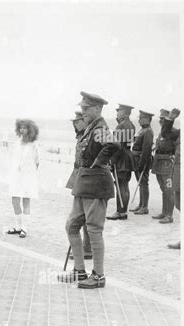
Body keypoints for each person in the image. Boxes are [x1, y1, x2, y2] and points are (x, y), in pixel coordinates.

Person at [58, 92, 120, 289]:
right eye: (82, 108)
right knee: (72, 226)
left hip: (96, 184)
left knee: (93, 230)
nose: (82, 112)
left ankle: (99, 276)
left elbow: (113, 144)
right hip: (84, 183)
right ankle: (79, 270)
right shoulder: (91, 127)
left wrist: (98, 162)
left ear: (97, 109)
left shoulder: (100, 127)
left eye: (86, 109)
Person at [6, 119, 40, 239]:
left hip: (28, 176)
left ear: (30, 129)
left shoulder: (34, 144)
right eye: (20, 127)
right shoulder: (18, 142)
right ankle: (18, 226)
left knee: (26, 201)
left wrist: (30, 174)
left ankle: (24, 228)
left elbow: (37, 162)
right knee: (15, 200)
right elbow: (14, 158)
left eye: (25, 128)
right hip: (16, 175)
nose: (22, 130)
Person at [66, 112, 92, 260]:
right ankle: (85, 246)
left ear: (84, 120)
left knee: (86, 215)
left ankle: (87, 248)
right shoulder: (81, 135)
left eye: (77, 121)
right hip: (79, 175)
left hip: (85, 177)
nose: (74, 124)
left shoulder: (89, 135)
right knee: (80, 213)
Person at [106, 104, 136, 220]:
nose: (117, 113)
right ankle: (123, 211)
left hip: (121, 158)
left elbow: (117, 146)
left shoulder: (121, 126)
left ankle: (120, 212)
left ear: (124, 112)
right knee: (125, 185)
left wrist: (112, 161)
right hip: (128, 156)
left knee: (120, 185)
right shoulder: (132, 125)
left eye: (119, 111)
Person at [151, 109, 176, 224]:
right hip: (159, 163)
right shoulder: (162, 133)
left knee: (169, 190)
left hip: (167, 164)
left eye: (163, 118)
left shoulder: (173, 132)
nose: (160, 121)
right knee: (163, 189)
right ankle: (164, 212)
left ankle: (169, 215)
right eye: (160, 118)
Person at [161, 108, 181, 249]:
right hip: (179, 172)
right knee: (180, 204)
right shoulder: (180, 132)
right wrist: (170, 119)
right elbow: (166, 133)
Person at [129, 110, 154, 215]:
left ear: (147, 119)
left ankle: (145, 207)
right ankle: (140, 205)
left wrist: (142, 163)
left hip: (142, 160)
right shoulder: (142, 130)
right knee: (140, 183)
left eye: (141, 118)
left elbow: (146, 150)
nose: (139, 120)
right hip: (136, 159)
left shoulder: (148, 131)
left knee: (143, 183)